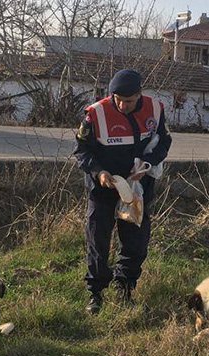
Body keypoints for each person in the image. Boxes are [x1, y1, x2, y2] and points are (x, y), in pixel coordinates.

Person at [74, 69, 172, 314]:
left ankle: (125, 287)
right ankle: (95, 293)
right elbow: (82, 151)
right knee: (98, 239)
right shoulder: (94, 114)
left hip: (138, 187)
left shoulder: (156, 109)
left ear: (140, 95)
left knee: (136, 241)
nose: (122, 105)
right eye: (117, 99)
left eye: (128, 101)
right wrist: (99, 172)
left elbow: (164, 142)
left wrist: (147, 164)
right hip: (103, 187)